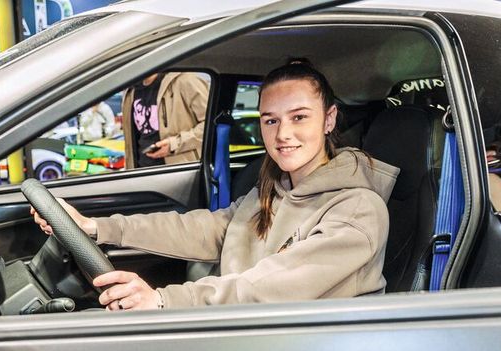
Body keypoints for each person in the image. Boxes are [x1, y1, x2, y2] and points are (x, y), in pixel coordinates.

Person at [33, 61, 399, 310]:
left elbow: (270, 288)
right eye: (270, 121)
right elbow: (208, 228)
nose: (283, 134)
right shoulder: (273, 188)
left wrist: (162, 301)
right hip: (251, 336)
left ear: (329, 119)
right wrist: (97, 228)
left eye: (299, 117)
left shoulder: (357, 210)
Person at [122, 72, 209, 168]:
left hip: (179, 172)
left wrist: (174, 144)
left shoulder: (186, 81)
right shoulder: (131, 90)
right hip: (142, 172)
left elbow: (211, 125)